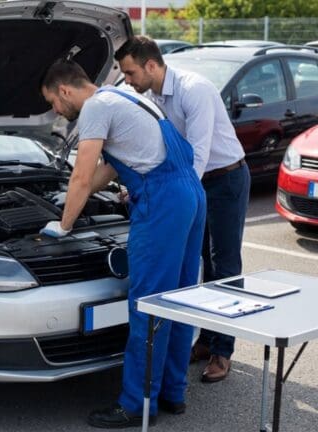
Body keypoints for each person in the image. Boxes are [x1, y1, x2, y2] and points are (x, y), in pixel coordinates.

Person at [40, 59, 205, 428]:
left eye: (52, 102)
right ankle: (172, 392)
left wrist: (64, 224)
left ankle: (136, 405)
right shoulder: (125, 97)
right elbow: (112, 167)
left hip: (162, 202)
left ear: (64, 90)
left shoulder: (94, 109)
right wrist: (75, 196)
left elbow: (82, 175)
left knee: (149, 304)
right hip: (190, 193)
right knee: (179, 299)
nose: (55, 111)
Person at [116, 36, 251, 383]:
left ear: (151, 65)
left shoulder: (195, 90)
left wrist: (174, 198)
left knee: (224, 266)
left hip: (224, 180)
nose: (127, 81)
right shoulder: (152, 97)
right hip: (193, 183)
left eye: (130, 73)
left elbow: (199, 153)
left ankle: (223, 351)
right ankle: (204, 341)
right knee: (199, 262)